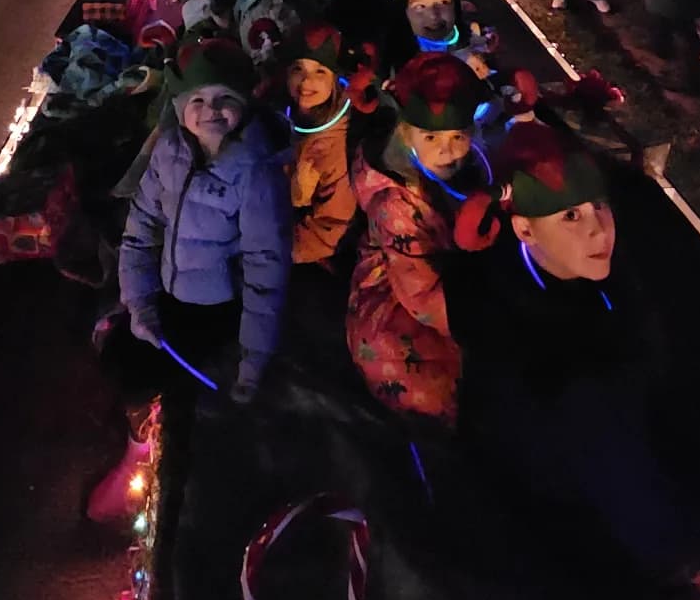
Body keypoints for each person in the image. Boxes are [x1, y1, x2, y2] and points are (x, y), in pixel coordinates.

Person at [446, 127, 700, 600]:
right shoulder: (571, 366)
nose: (599, 230)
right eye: (570, 216)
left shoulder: (523, 275)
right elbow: (658, 536)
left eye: (599, 206)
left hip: (578, 487)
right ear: (524, 228)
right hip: (582, 537)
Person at [118, 39, 292, 405]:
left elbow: (266, 264)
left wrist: (254, 356)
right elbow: (141, 225)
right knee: (123, 363)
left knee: (183, 390)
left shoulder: (255, 172)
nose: (210, 109)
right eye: (197, 100)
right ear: (180, 107)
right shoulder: (169, 151)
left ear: (244, 104)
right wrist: (138, 301)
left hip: (221, 306)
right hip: (169, 288)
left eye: (225, 98)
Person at [346, 53, 487, 420]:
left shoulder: (466, 166)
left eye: (459, 135)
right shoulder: (394, 205)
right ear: (406, 134)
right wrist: (480, 326)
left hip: (453, 268)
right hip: (403, 293)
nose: (447, 148)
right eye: (431, 136)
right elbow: (421, 294)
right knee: (432, 384)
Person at [280, 22, 360, 267]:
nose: (306, 80)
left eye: (320, 72)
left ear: (336, 80)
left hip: (315, 250)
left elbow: (333, 224)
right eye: (297, 69)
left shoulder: (335, 146)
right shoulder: (286, 116)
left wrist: (277, 249)